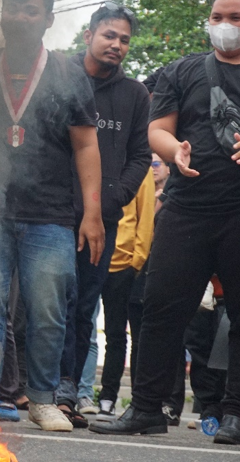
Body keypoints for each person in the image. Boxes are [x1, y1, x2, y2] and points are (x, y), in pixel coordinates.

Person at [90, 0, 240, 441]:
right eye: (216, 16)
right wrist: (175, 151)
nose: (223, 26)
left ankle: (235, 413)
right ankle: (148, 409)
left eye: (233, 17)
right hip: (186, 210)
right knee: (159, 309)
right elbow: (158, 129)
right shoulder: (182, 70)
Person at [0, 0, 104, 432]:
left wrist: (92, 213)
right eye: (11, 8)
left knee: (47, 310)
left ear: (48, 19)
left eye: (30, 10)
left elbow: (85, 146)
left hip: (50, 215)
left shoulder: (67, 73)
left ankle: (42, 399)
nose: (18, 18)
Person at [56, 3, 152, 426]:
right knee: (43, 305)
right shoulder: (57, 77)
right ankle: (27, 388)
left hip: (101, 221)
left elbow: (141, 155)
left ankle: (65, 393)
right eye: (109, 35)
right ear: (88, 34)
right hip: (51, 213)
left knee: (82, 306)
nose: (117, 45)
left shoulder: (135, 95)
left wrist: (113, 199)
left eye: (124, 39)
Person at [96, 170, 155, 421]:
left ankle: (108, 397)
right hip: (92, 255)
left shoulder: (143, 170)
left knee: (117, 335)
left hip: (123, 264)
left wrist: (136, 262)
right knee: (77, 326)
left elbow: (146, 217)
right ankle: (72, 394)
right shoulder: (99, 160)